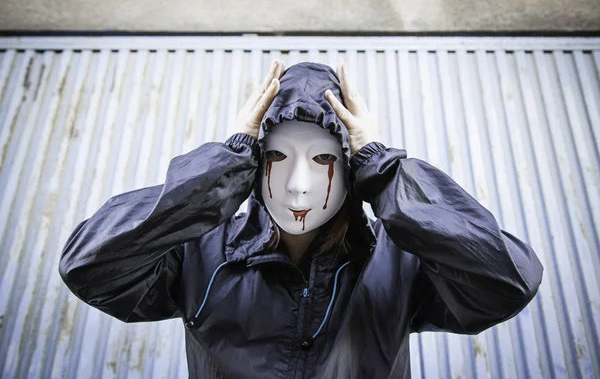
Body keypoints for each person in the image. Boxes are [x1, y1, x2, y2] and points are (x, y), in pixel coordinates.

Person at [59, 60, 544, 379]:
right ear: (254, 166)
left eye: (324, 161)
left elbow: (505, 281)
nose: (296, 185)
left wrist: (381, 165)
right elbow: (90, 264)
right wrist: (226, 162)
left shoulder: (398, 262)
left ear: (352, 171)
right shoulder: (200, 253)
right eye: (276, 159)